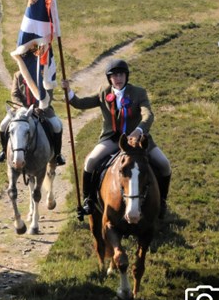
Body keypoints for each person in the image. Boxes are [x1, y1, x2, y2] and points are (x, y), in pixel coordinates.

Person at [62, 59, 172, 219]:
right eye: (114, 76)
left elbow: (148, 114)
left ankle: (161, 202)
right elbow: (80, 103)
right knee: (90, 162)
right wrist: (68, 91)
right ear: (109, 78)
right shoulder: (104, 92)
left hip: (137, 142)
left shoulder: (139, 93)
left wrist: (139, 130)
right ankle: (89, 200)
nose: (118, 78)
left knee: (164, 164)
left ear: (126, 76)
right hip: (112, 139)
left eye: (121, 75)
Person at [0, 69, 66, 165]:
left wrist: (41, 106)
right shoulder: (18, 75)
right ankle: (4, 152)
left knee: (57, 125)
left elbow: (49, 93)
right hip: (20, 109)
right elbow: (15, 94)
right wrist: (20, 107)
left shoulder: (43, 74)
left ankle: (57, 155)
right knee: (3, 125)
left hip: (41, 108)